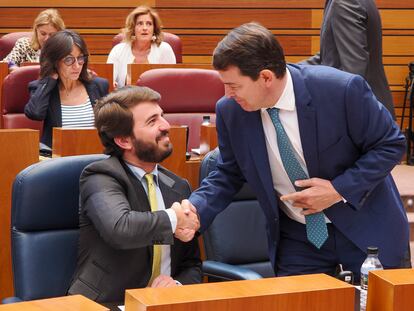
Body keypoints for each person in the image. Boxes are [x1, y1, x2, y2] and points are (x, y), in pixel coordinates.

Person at [182, 22, 410, 282]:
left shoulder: (340, 90)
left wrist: (338, 190)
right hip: (298, 238)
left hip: (366, 230)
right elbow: (229, 172)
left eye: (234, 85)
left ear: (266, 77)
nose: (227, 94)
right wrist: (196, 209)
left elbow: (390, 143)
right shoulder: (231, 111)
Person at [67, 86, 202, 304]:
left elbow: (191, 263)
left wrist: (177, 287)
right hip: (106, 303)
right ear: (124, 141)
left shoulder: (178, 185)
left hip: (165, 304)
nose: (166, 126)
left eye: (162, 116)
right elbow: (121, 228)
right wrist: (175, 218)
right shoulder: (100, 176)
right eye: (152, 121)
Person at [301, 0, 395, 119]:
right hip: (371, 110)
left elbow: (354, 71)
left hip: (362, 117)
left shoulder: (345, 2)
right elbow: (329, 56)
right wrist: (287, 69)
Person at [24, 30, 109, 147]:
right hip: (58, 159)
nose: (77, 66)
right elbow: (35, 113)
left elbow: (109, 128)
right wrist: (50, 79)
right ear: (54, 61)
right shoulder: (43, 88)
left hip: (95, 157)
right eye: (69, 59)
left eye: (80, 58)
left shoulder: (99, 86)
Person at [107, 5, 176, 88]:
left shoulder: (165, 50)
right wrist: (112, 83)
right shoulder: (118, 50)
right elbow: (109, 80)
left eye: (149, 24)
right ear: (133, 28)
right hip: (124, 99)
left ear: (154, 29)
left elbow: (171, 82)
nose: (145, 28)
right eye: (140, 23)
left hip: (157, 99)